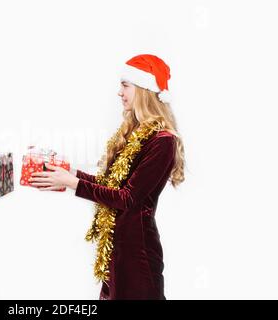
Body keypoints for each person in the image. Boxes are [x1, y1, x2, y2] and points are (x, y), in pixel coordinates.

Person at [29, 54, 185, 300]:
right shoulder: (135, 133)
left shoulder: (162, 141)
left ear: (143, 89)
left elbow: (127, 198)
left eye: (125, 85)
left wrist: (73, 183)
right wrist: (71, 174)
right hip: (117, 249)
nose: (119, 92)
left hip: (137, 254)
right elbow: (113, 186)